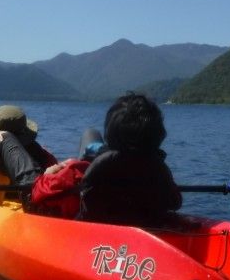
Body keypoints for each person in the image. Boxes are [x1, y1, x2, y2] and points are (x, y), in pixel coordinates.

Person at [78, 93, 181, 226]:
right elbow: (175, 202)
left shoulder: (100, 163)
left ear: (111, 130)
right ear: (158, 134)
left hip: (101, 230)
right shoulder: (159, 170)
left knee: (90, 134)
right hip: (146, 228)